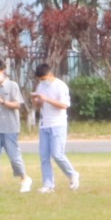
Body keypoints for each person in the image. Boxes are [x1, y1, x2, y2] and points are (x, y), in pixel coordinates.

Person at [0, 59, 31, 195]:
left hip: (10, 127)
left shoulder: (12, 86)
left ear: (2, 71)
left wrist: (3, 102)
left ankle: (24, 178)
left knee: (14, 157)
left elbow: (17, 105)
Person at [31, 62, 80, 193]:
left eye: (43, 78)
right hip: (44, 124)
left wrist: (46, 99)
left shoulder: (60, 86)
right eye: (40, 80)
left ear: (50, 74)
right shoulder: (41, 86)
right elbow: (38, 105)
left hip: (58, 124)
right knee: (44, 156)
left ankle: (72, 174)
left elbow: (64, 105)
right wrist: (37, 101)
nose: (42, 81)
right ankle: (48, 185)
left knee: (57, 154)